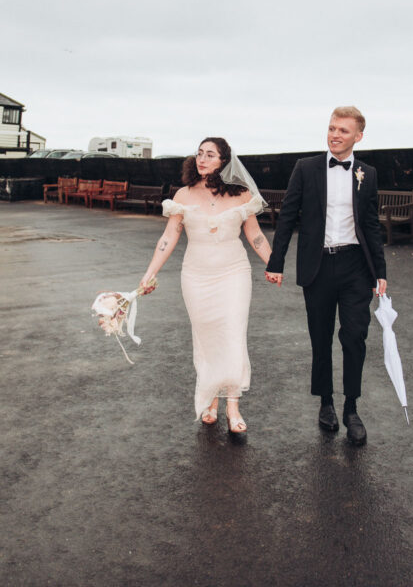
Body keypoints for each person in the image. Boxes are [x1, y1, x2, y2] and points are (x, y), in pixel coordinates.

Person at [264, 106, 387, 446]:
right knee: (320, 338)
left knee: (354, 337)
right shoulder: (306, 168)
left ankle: (351, 407)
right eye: (332, 128)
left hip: (355, 268)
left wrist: (381, 272)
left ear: (358, 136)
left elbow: (372, 226)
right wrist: (276, 262)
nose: (335, 134)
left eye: (343, 131)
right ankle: (326, 403)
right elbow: (287, 217)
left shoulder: (367, 173)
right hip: (318, 266)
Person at [140, 137, 271, 433]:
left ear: (223, 161)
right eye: (199, 154)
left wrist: (273, 264)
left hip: (233, 272)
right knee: (206, 337)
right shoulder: (183, 195)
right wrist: (149, 273)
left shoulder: (242, 195)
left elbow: (256, 235)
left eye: (210, 155)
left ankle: (233, 405)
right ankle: (210, 399)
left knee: (233, 333)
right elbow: (168, 237)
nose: (201, 159)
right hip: (196, 276)